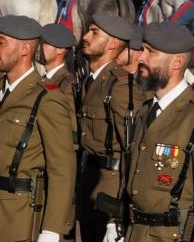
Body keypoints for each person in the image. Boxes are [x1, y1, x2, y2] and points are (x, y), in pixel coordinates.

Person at [117, 21, 194, 242]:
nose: (140, 58)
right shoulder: (145, 112)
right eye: (142, 50)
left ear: (177, 61)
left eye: (150, 52)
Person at [0, 15, 75, 242]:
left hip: (21, 219)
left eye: (1, 41)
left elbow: (62, 169)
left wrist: (52, 228)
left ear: (25, 48)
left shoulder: (47, 98)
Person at [77, 13, 149, 242]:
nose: (86, 36)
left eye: (95, 32)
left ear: (113, 44)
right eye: (88, 30)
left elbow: (132, 151)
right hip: (89, 186)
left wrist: (117, 216)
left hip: (110, 192)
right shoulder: (91, 81)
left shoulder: (120, 86)